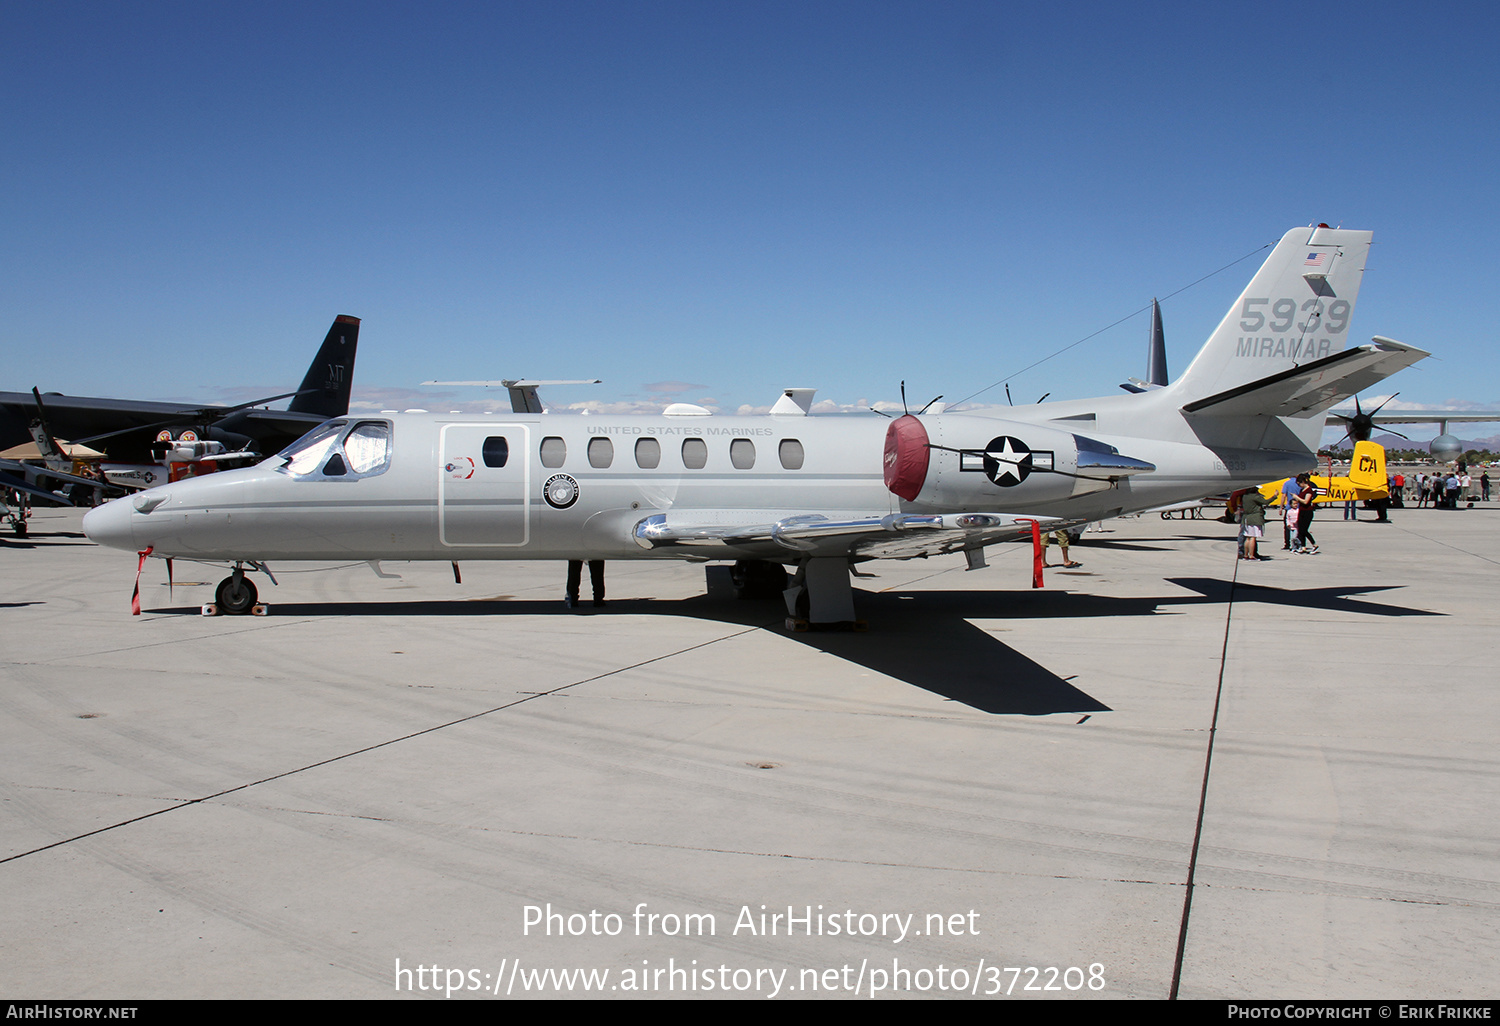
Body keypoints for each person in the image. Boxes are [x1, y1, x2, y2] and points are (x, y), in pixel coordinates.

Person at [1238, 486, 1273, 560]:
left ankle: (1245, 555)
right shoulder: (1255, 497)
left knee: (1247, 538)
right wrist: (1274, 496)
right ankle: (1251, 555)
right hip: (1254, 518)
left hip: (1246, 518)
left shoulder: (1245, 496)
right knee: (1253, 537)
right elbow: (1266, 502)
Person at [1293, 473, 1319, 554]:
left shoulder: (1309, 490)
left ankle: (1314, 544)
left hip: (1307, 511)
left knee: (1304, 530)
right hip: (1301, 510)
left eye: (1299, 484)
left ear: (1303, 482)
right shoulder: (1302, 490)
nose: (1299, 486)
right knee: (1300, 530)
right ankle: (1303, 546)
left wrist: (1297, 497)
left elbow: (1306, 501)